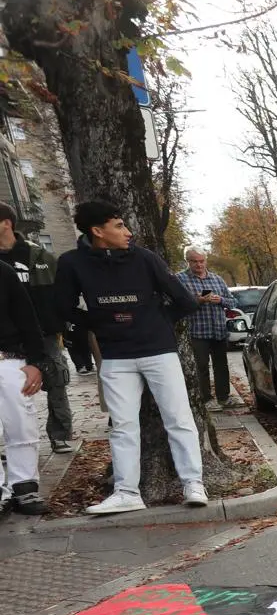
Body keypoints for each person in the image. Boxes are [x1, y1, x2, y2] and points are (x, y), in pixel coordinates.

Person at [53, 199, 207, 514]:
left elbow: (185, 300)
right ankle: (126, 492)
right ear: (97, 231)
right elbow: (61, 308)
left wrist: (158, 320)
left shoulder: (146, 259)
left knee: (178, 419)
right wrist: (97, 322)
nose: (128, 232)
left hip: (159, 351)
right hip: (115, 356)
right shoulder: (72, 263)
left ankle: (193, 483)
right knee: (122, 425)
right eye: (119, 226)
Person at [0, 203, 73, 453]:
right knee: (8, 390)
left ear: (6, 223)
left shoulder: (38, 255)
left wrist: (62, 324)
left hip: (44, 331)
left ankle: (60, 434)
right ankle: (10, 441)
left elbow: (58, 292)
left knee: (56, 380)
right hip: (6, 337)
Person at [0, 257, 48, 515]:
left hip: (9, 359)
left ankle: (24, 486)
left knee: (21, 424)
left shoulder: (3, 272)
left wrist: (36, 362)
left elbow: (27, 317)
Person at [175, 247, 239, 407]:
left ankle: (224, 397)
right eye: (194, 261)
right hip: (197, 331)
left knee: (221, 366)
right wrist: (198, 300)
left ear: (206, 260)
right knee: (200, 366)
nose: (199, 265)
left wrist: (221, 300)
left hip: (218, 330)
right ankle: (206, 399)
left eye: (201, 261)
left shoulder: (217, 279)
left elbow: (233, 302)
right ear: (187, 261)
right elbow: (177, 303)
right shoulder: (180, 279)